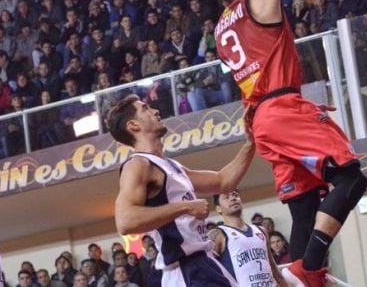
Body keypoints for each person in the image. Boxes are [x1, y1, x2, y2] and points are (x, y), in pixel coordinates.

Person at [210, 0, 366, 287]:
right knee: (351, 178)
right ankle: (308, 269)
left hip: (261, 122)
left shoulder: (221, 30)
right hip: (281, 108)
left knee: (303, 205)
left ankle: (304, 277)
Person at [108, 94, 256, 286]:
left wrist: (251, 143)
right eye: (145, 108)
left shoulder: (171, 166)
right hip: (185, 269)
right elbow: (125, 221)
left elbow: (223, 181)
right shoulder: (137, 164)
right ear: (133, 125)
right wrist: (184, 207)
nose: (155, 111)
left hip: (204, 261)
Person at [211, 190, 286, 286]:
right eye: (226, 197)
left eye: (235, 195)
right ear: (218, 209)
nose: (233, 198)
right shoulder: (218, 234)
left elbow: (273, 267)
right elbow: (207, 270)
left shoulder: (261, 230)